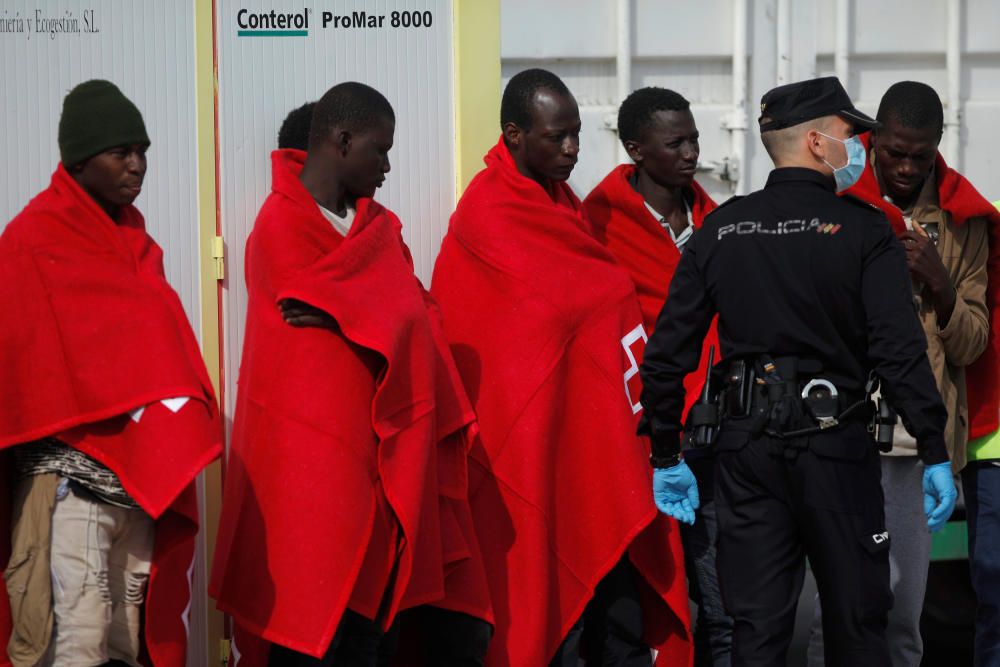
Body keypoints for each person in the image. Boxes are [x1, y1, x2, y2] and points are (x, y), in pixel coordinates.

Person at [638, 76, 958, 667]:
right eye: (848, 134)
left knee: (755, 632)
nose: (856, 146)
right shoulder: (864, 231)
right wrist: (934, 447)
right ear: (816, 142)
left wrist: (665, 453)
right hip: (835, 450)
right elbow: (899, 351)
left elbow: (666, 354)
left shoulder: (722, 228)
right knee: (857, 624)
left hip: (745, 454)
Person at [209, 82, 492, 667]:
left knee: (373, 640)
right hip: (308, 486)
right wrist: (375, 313)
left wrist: (351, 313)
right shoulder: (281, 225)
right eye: (379, 150)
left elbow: (420, 315)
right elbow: (312, 345)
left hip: (382, 483)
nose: (388, 166)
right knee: (312, 638)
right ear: (341, 142)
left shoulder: (381, 233)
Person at [431, 68, 691, 667]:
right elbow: (495, 346)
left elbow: (595, 313)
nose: (572, 149)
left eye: (576, 134)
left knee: (617, 616)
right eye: (558, 137)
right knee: (555, 620)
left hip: (591, 447)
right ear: (515, 135)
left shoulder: (566, 207)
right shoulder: (486, 218)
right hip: (525, 450)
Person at [0, 80, 222, 667]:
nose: (137, 165)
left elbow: (158, 355)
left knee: (130, 647)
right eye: (121, 151)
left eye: (142, 150)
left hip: (136, 496)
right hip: (69, 496)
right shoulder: (30, 241)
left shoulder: (136, 243)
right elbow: (22, 375)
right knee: (76, 646)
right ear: (79, 158)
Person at [807, 80, 1000, 667]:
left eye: (920, 155)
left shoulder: (963, 219)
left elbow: (971, 345)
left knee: (902, 621)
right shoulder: (833, 201)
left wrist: (940, 283)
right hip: (837, 434)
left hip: (918, 444)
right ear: (874, 138)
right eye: (894, 152)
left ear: (939, 145)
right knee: (827, 617)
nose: (904, 167)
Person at [583, 86, 732, 667]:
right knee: (636, 597)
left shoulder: (718, 223)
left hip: (715, 436)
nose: (692, 152)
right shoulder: (596, 224)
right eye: (676, 143)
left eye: (694, 138)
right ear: (636, 150)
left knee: (723, 600)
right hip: (637, 438)